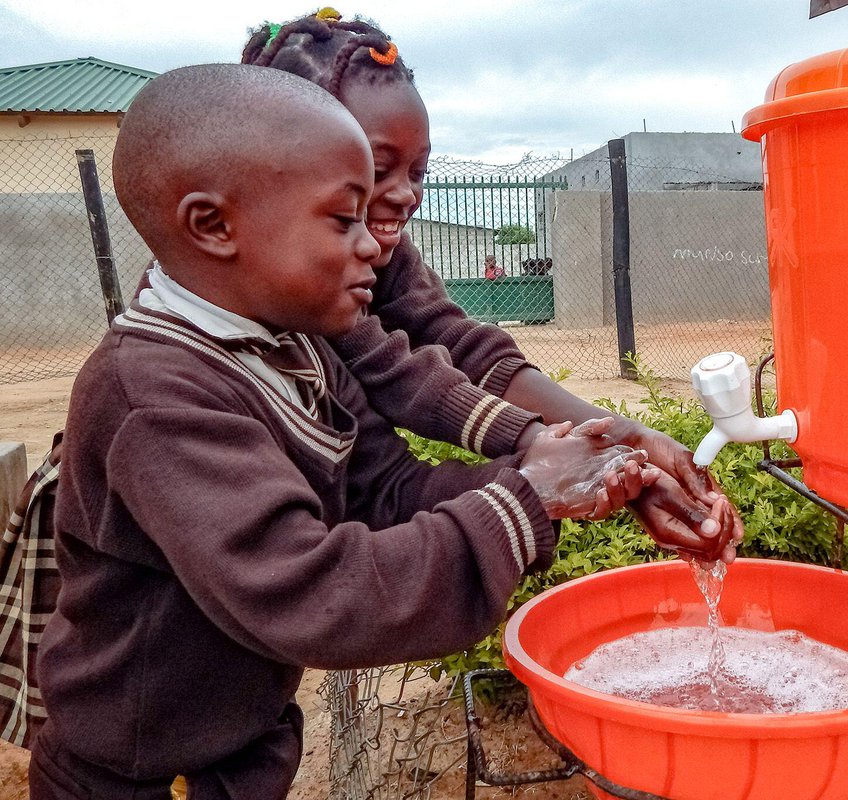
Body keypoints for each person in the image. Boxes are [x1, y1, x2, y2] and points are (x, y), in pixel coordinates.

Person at [30, 64, 655, 800]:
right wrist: (524, 500)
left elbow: (379, 490)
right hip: (139, 777)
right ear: (214, 224)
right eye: (342, 218)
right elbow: (311, 590)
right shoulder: (156, 393)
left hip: (238, 750)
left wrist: (556, 475)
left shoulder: (285, 345)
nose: (372, 246)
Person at [242, 9, 743, 562]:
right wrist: (558, 454)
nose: (405, 194)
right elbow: (401, 376)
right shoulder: (219, 343)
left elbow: (458, 349)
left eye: (418, 170)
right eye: (375, 168)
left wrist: (620, 451)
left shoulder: (377, 259)